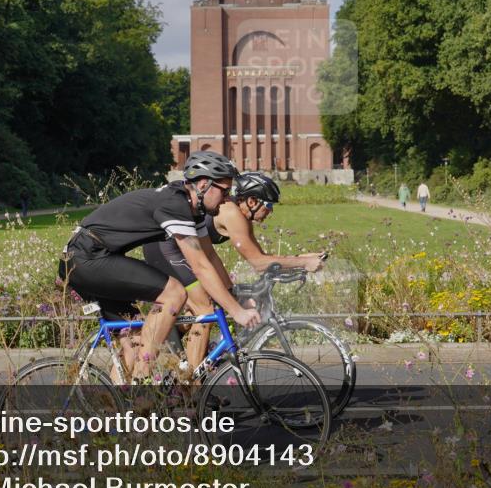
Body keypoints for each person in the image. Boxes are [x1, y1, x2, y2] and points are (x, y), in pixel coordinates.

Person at [58, 151, 261, 380]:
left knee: (135, 338)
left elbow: (209, 257)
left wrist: (233, 297)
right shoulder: (175, 205)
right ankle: (143, 380)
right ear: (204, 185)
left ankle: (122, 398)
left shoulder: (191, 210)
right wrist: (236, 312)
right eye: (224, 191)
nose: (227, 199)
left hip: (87, 257)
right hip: (86, 257)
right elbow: (200, 266)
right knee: (174, 293)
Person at [143, 172, 325, 370]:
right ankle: (192, 383)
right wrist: (303, 262)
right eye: (269, 205)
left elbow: (257, 257)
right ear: (252, 201)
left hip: (185, 251)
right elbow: (258, 263)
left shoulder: (242, 216)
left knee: (213, 303)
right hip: (165, 249)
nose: (270, 212)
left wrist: (299, 258)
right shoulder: (232, 213)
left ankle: (170, 342)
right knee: (206, 309)